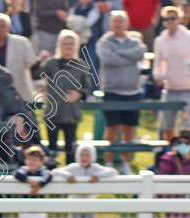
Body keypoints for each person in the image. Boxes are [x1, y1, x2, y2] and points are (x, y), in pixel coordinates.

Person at [97, 10, 145, 175]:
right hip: (112, 91)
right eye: (115, 21)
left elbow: (141, 52)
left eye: (121, 21)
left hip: (132, 91)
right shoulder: (104, 41)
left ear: (127, 23)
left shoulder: (134, 40)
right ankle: (108, 163)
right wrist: (129, 58)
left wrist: (121, 54)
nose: (118, 24)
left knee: (129, 130)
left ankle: (126, 163)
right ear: (110, 24)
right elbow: (108, 59)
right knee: (111, 129)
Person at [41, 30, 92, 165]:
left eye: (71, 44)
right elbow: (36, 74)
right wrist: (39, 59)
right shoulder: (52, 63)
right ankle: (50, 174)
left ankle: (70, 174)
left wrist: (79, 94)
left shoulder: (80, 64)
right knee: (52, 148)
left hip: (71, 112)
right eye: (65, 44)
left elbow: (88, 87)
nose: (68, 46)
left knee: (70, 147)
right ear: (60, 45)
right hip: (53, 110)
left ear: (76, 46)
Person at [153, 6, 190, 143]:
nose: (169, 21)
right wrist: (157, 76)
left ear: (179, 19)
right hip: (170, 88)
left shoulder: (188, 37)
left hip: (187, 88)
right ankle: (169, 155)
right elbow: (158, 63)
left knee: (187, 126)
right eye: (166, 19)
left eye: (173, 18)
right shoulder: (160, 40)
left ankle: (186, 157)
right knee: (167, 125)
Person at [0, 13, 36, 102]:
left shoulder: (22, 42)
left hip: (17, 88)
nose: (0, 29)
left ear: (9, 27)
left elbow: (31, 63)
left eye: (3, 26)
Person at [155, 130, 190, 218]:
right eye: (180, 142)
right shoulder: (168, 159)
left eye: (187, 143)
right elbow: (163, 179)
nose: (183, 145)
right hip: (173, 197)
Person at [13, 146, 52, 218]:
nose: (32, 162)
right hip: (25, 208)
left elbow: (48, 176)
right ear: (25, 160)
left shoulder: (43, 171)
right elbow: (16, 174)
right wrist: (29, 181)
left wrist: (38, 186)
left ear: (41, 162)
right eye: (30, 159)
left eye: (35, 160)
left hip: (39, 209)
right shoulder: (24, 170)